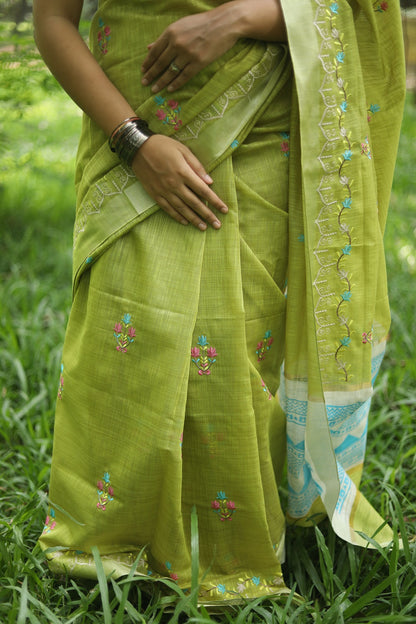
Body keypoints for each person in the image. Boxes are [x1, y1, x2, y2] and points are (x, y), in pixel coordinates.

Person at [34, 0, 406, 607]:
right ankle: (118, 539)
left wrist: (239, 19)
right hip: (130, 122)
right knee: (134, 330)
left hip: (267, 124)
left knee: (246, 332)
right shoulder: (131, 139)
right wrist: (135, 142)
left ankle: (236, 537)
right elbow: (51, 21)